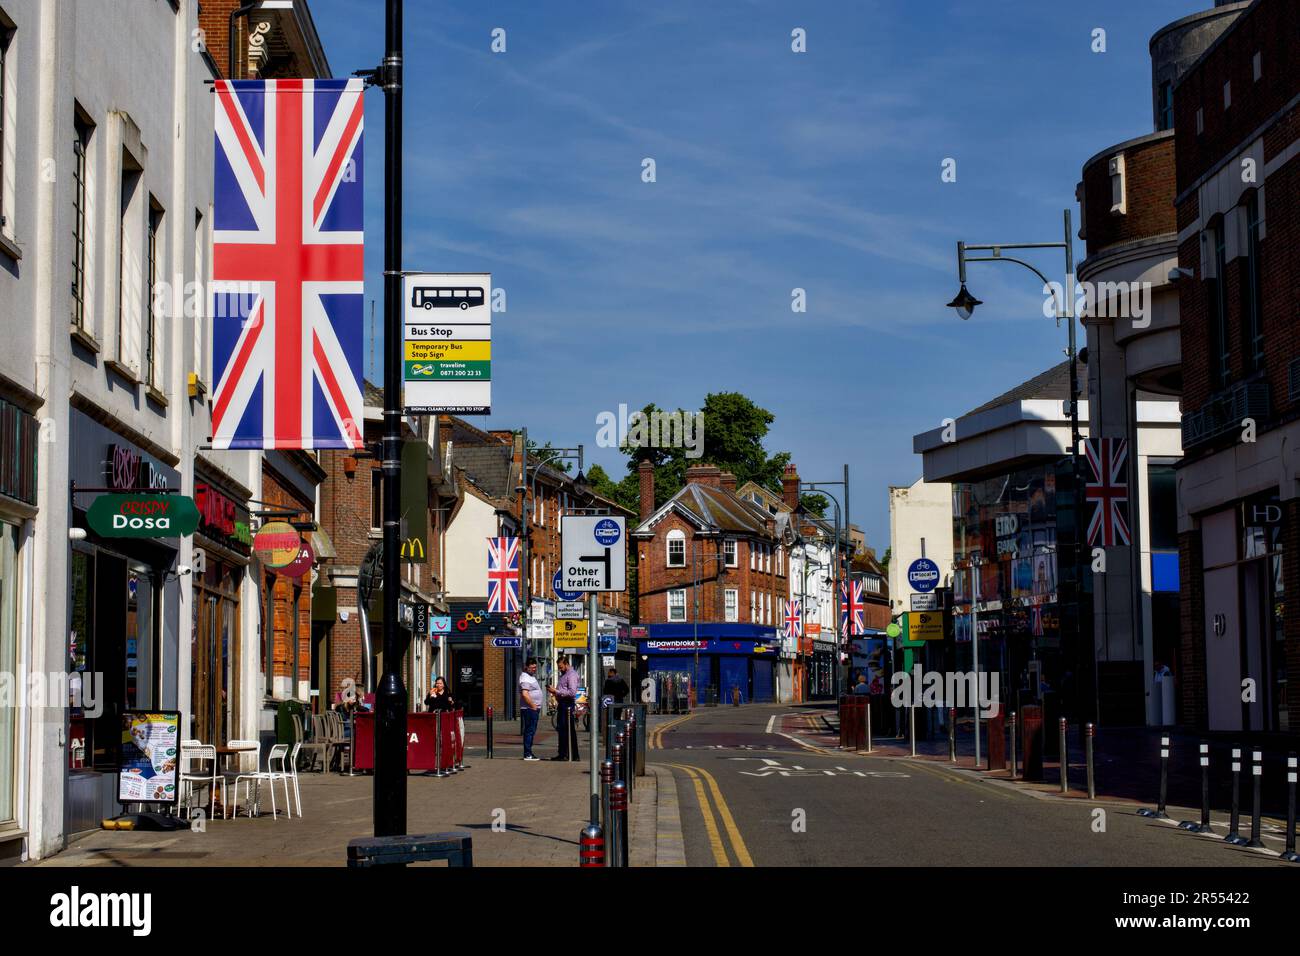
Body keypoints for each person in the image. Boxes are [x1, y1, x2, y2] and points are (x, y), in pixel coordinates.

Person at [548, 655, 580, 761]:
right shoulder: (564, 674)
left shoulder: (571, 675)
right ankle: (563, 753)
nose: (560, 669)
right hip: (562, 704)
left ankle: (569, 754)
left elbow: (572, 692)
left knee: (567, 729)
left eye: (561, 667)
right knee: (562, 729)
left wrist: (556, 691)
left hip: (567, 704)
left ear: (566, 664)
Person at [519, 658, 543, 761]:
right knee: (529, 731)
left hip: (532, 708)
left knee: (531, 731)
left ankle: (528, 753)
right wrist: (533, 706)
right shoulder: (525, 678)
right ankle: (527, 754)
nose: (534, 669)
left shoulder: (530, 676)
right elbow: (525, 694)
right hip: (529, 708)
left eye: (535, 667)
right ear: (527, 667)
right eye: (532, 667)